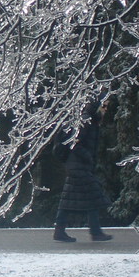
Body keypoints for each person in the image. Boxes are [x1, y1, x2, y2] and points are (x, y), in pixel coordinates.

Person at [53, 99, 112, 242]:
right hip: (78, 166)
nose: (105, 110)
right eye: (103, 106)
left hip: (78, 166)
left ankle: (61, 231)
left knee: (72, 199)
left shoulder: (92, 121)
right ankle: (95, 232)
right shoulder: (86, 121)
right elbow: (74, 143)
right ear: (97, 106)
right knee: (92, 195)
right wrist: (88, 157)